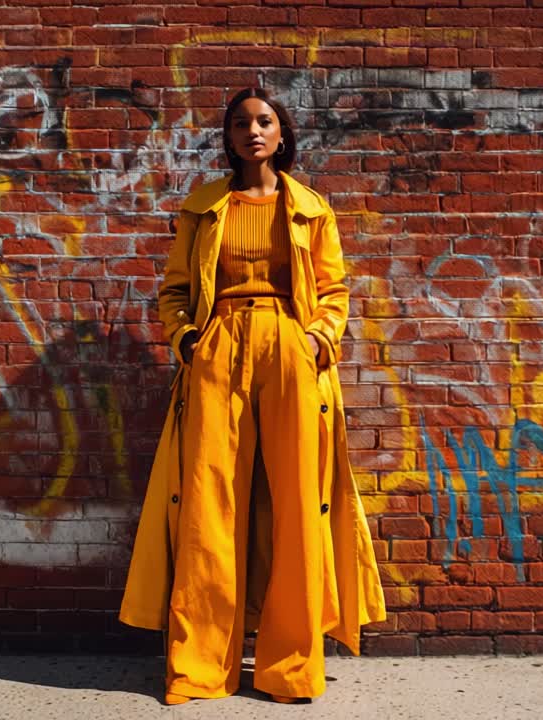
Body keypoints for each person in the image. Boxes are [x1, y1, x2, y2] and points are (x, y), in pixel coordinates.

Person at [118, 87, 385, 705]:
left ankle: (290, 668)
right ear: (229, 137)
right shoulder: (204, 207)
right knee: (208, 507)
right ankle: (199, 667)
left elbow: (335, 290)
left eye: (264, 121)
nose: (253, 131)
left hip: (291, 348)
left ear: (282, 133)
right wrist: (188, 340)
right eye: (241, 123)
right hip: (218, 349)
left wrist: (317, 341)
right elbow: (174, 290)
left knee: (298, 505)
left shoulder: (311, 209)